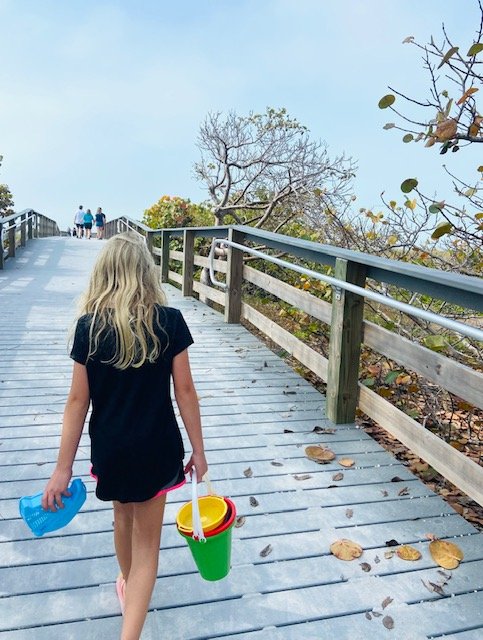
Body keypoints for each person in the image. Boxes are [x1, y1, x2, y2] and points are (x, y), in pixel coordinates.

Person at [42, 233, 207, 640]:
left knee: (122, 517)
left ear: (103, 275)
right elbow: (185, 391)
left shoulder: (89, 328)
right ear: (145, 274)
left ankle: (129, 584)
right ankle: (130, 627)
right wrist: (199, 451)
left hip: (111, 448)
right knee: (148, 544)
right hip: (157, 448)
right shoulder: (168, 322)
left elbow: (77, 402)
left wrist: (62, 469)